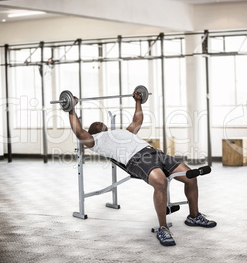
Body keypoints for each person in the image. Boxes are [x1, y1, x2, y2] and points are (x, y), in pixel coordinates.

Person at [68, 91, 217, 246]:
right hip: (136, 159)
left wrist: (138, 101)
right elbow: (79, 131)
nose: (99, 122)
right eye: (95, 124)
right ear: (91, 132)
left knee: (190, 176)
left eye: (100, 122)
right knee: (161, 183)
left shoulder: (124, 132)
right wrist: (71, 108)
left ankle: (194, 216)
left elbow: (137, 119)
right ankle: (163, 228)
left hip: (154, 152)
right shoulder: (95, 141)